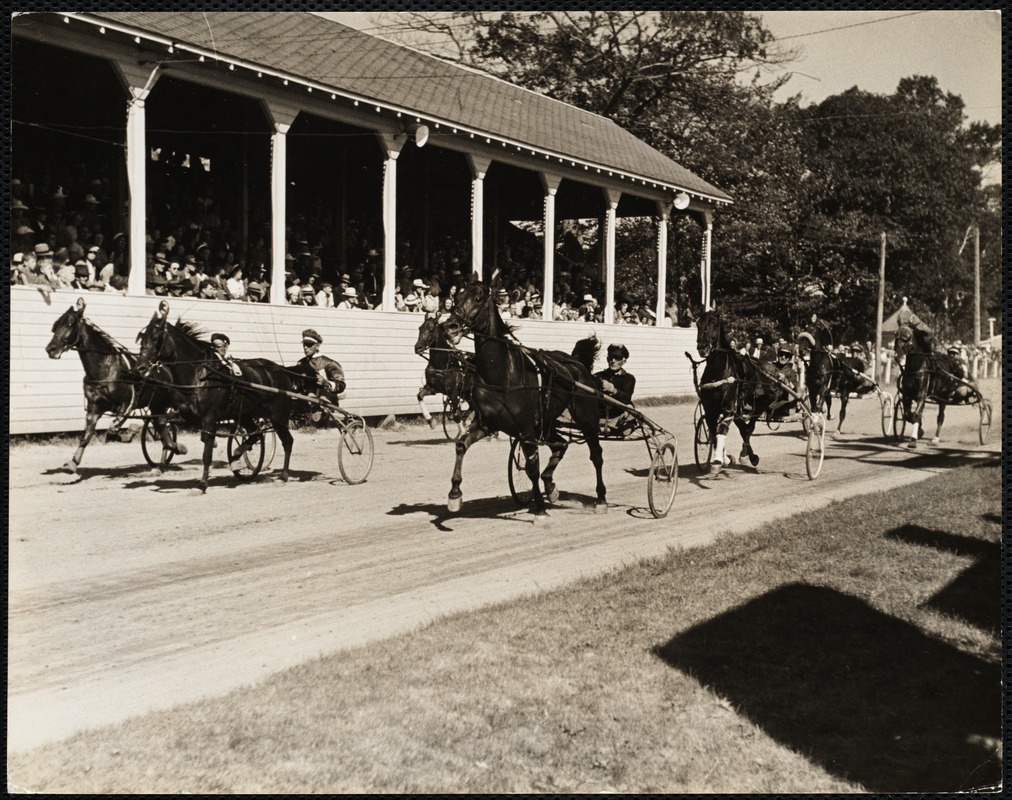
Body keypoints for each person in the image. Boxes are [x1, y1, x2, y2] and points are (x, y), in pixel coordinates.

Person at [295, 328, 346, 408]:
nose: (305, 348)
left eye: (309, 344)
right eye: (304, 344)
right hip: (304, 403)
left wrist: (326, 383)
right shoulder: (301, 363)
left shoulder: (329, 363)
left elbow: (341, 385)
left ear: (317, 346)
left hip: (326, 404)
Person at [595, 344, 637, 433]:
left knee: (629, 407)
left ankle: (623, 424)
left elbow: (626, 398)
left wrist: (613, 390)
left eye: (617, 358)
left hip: (617, 415)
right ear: (607, 359)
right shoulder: (598, 376)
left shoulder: (629, 378)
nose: (613, 361)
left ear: (624, 361)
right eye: (611, 358)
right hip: (599, 415)